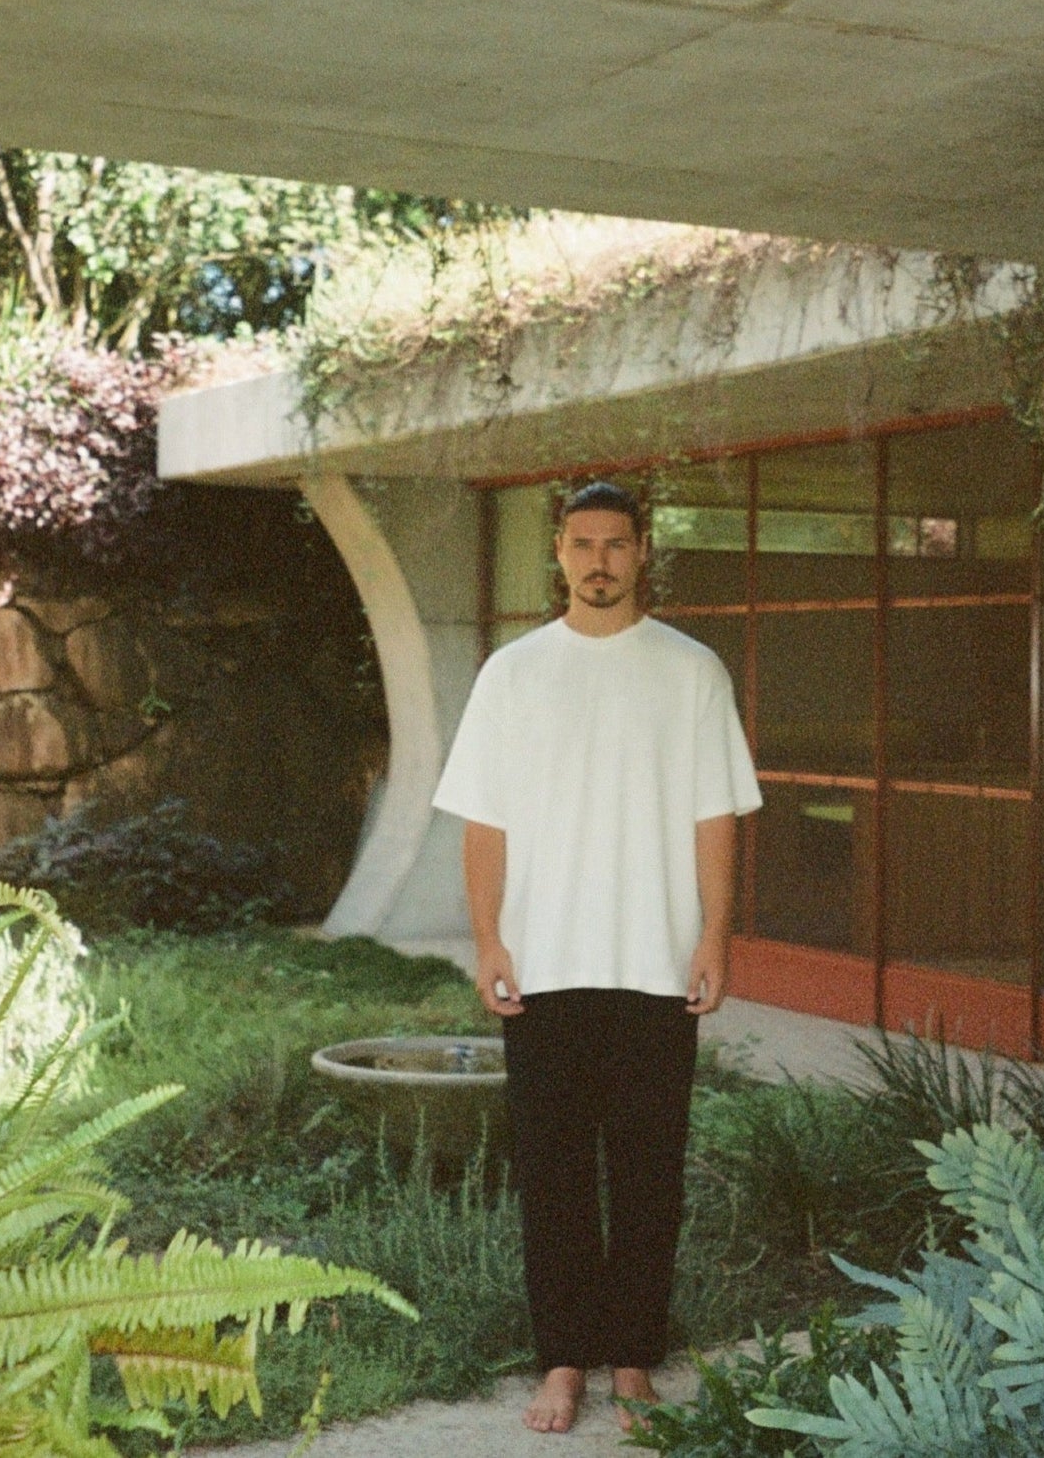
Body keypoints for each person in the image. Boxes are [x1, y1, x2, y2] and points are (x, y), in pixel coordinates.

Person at [432, 480, 761, 1435]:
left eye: (616, 544)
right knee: (555, 1173)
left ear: (641, 552)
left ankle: (632, 1362)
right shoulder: (514, 674)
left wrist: (713, 935)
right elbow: (484, 823)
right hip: (544, 964)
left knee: (651, 1171)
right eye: (583, 544)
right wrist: (489, 938)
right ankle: (564, 1361)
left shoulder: (692, 671)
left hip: (658, 965)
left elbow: (715, 816)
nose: (600, 561)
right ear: (561, 555)